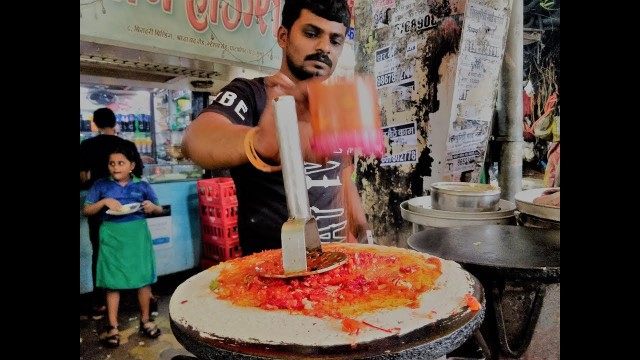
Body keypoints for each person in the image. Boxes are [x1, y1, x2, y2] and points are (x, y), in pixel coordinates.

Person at [182, 0, 370, 255]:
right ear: (283, 36)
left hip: (335, 266)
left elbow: (342, 172)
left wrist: (359, 227)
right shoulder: (252, 94)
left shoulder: (335, 104)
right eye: (312, 33)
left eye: (335, 41)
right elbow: (197, 138)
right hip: (272, 276)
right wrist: (258, 142)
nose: (324, 47)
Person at [82, 145, 163, 348]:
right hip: (111, 237)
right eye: (112, 163)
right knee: (113, 283)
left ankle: (145, 320)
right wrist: (104, 202)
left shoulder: (142, 185)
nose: (116, 168)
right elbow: (87, 210)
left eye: (121, 163)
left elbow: (158, 208)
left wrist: (152, 207)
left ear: (131, 165)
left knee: (143, 280)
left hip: (137, 236)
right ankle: (113, 326)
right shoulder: (101, 185)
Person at [80, 108, 155, 319]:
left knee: (101, 254)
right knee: (136, 255)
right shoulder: (127, 146)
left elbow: (82, 176)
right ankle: (142, 296)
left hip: (101, 212)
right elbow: (138, 173)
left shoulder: (86, 145)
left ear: (95, 124)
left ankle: (99, 303)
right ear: (115, 124)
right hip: (127, 211)